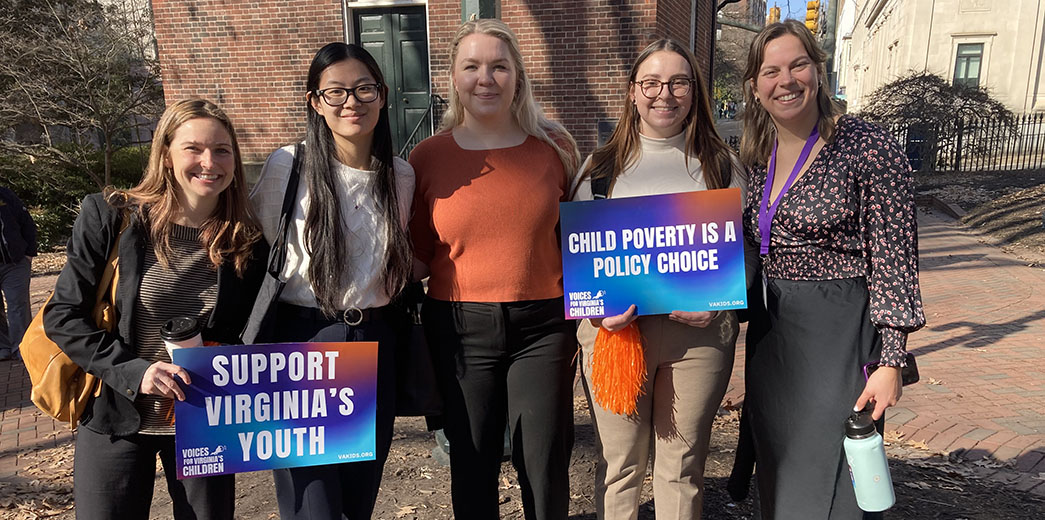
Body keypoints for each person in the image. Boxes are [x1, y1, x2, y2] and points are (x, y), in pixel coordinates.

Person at [43, 98, 267, 520]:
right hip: (117, 413)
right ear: (165, 154)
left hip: (203, 420)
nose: (209, 162)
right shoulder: (113, 217)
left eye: (222, 150)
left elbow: (251, 331)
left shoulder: (246, 239)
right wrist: (137, 371)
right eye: (193, 148)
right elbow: (63, 316)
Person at [739, 20, 924, 518]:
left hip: (838, 329)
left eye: (798, 64)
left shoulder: (868, 146)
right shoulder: (759, 155)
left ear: (818, 71)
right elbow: (751, 247)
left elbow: (894, 258)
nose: (786, 80)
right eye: (770, 70)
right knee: (778, 465)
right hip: (773, 335)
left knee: (833, 471)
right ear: (755, 88)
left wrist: (891, 361)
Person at [408, 19, 580, 520]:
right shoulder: (426, 157)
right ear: (453, 79)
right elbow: (416, 251)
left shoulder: (555, 149)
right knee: (472, 461)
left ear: (517, 77)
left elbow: (584, 243)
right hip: (460, 328)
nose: (486, 78)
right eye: (473, 66)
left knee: (544, 462)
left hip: (544, 327)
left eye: (499, 66)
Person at [571, 39, 748, 519]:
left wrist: (718, 303)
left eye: (677, 82)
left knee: (682, 466)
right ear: (632, 92)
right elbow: (578, 256)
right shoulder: (599, 170)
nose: (663, 94)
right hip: (615, 338)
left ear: (694, 92)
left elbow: (745, 255)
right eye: (651, 82)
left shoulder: (720, 167)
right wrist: (596, 313)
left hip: (700, 337)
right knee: (622, 467)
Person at [249, 42, 413, 520]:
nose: (352, 102)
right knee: (312, 504)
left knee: (360, 496)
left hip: (376, 340)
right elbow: (253, 247)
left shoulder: (402, 176)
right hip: (304, 340)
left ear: (382, 96)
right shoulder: (289, 165)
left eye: (364, 89)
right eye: (336, 91)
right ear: (315, 102)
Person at [0, 185, 37, 361]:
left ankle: (22, 347)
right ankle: (3, 346)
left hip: (15, 263)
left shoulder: (5, 194)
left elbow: (26, 221)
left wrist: (29, 253)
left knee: (18, 305)